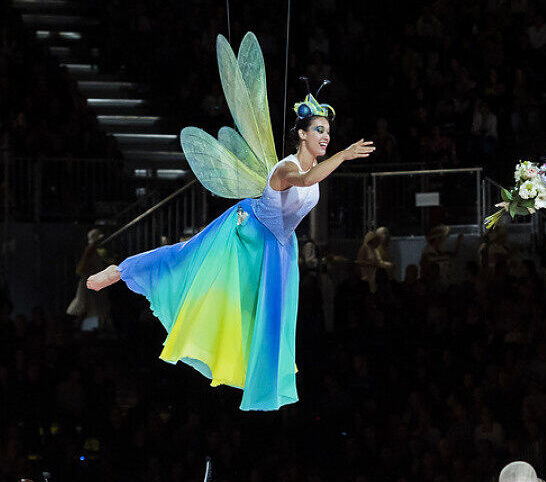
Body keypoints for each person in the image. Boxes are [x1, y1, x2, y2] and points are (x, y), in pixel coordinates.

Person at [85, 33, 376, 411]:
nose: (325, 137)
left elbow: (312, 182)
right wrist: (345, 154)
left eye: (329, 132)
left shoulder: (316, 169)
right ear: (302, 134)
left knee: (267, 320)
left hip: (278, 249)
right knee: (184, 257)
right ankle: (122, 271)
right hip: (245, 233)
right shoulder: (287, 167)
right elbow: (305, 181)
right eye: (319, 131)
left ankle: (262, 388)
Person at [67, 228, 113, 331]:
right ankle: (87, 330)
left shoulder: (100, 251)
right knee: (88, 307)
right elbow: (80, 269)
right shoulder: (90, 250)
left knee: (98, 308)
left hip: (98, 284)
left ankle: (95, 329)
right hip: (89, 284)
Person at [356, 229, 392, 293]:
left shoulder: (375, 250)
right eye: (377, 240)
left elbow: (379, 262)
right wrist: (370, 264)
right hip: (366, 277)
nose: (379, 241)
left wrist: (389, 265)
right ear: (372, 240)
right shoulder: (364, 248)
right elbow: (359, 262)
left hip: (374, 278)